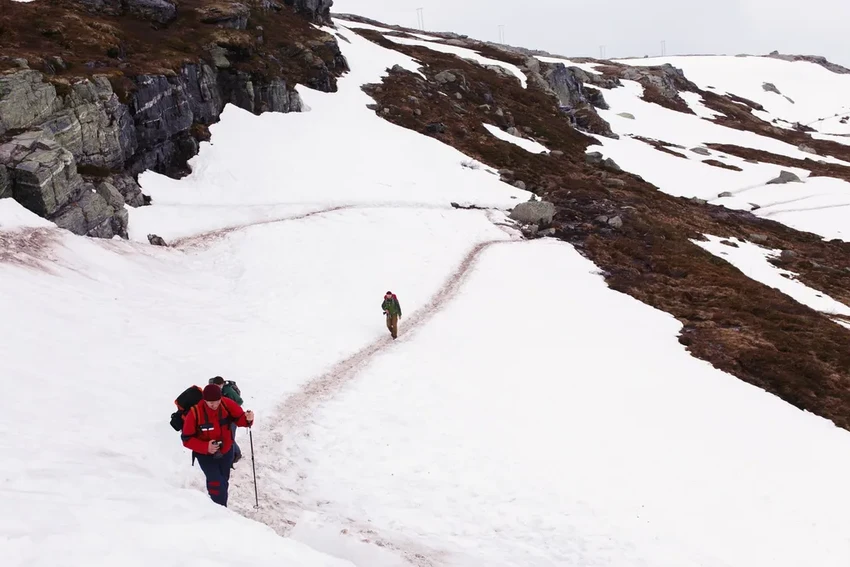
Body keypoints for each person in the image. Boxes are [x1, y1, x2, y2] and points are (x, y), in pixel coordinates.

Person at [181, 384, 254, 507]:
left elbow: (240, 419)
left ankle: (219, 508)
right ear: (204, 400)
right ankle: (219, 511)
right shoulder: (195, 413)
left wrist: (248, 419)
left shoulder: (227, 404)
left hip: (226, 451)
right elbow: (186, 439)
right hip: (205, 456)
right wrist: (205, 447)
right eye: (210, 403)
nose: (214, 405)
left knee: (223, 481)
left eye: (216, 402)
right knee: (216, 483)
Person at [209, 376, 244, 464]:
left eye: (219, 385)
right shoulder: (216, 390)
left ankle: (236, 454)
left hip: (232, 418)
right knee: (226, 437)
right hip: (223, 418)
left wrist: (231, 408)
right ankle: (232, 454)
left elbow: (239, 401)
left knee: (230, 438)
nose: (217, 387)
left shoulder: (228, 390)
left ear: (222, 384)